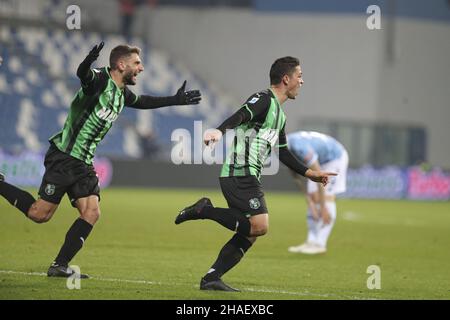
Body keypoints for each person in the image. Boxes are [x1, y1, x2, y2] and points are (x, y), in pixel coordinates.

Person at [0, 42, 201, 278]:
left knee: (91, 212)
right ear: (121, 64)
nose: (142, 68)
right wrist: (87, 61)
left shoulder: (121, 93)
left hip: (83, 163)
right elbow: (82, 75)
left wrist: (174, 100)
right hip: (65, 157)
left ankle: (59, 265)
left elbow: (144, 102)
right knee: (39, 214)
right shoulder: (99, 81)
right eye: (137, 63)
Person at [174, 56, 337, 291]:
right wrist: (219, 131)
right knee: (260, 225)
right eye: (299, 76)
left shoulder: (280, 115)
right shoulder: (263, 99)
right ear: (286, 79)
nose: (302, 81)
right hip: (240, 172)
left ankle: (211, 277)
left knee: (250, 233)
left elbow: (283, 153)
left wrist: (310, 173)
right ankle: (204, 210)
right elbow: (241, 114)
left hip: (247, 174)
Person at [287, 131, 348, 254]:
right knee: (313, 197)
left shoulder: (300, 147)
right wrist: (309, 202)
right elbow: (294, 174)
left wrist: (323, 207)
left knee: (326, 197)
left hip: (335, 158)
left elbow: (319, 176)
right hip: (322, 161)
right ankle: (311, 241)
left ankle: (320, 244)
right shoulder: (282, 147)